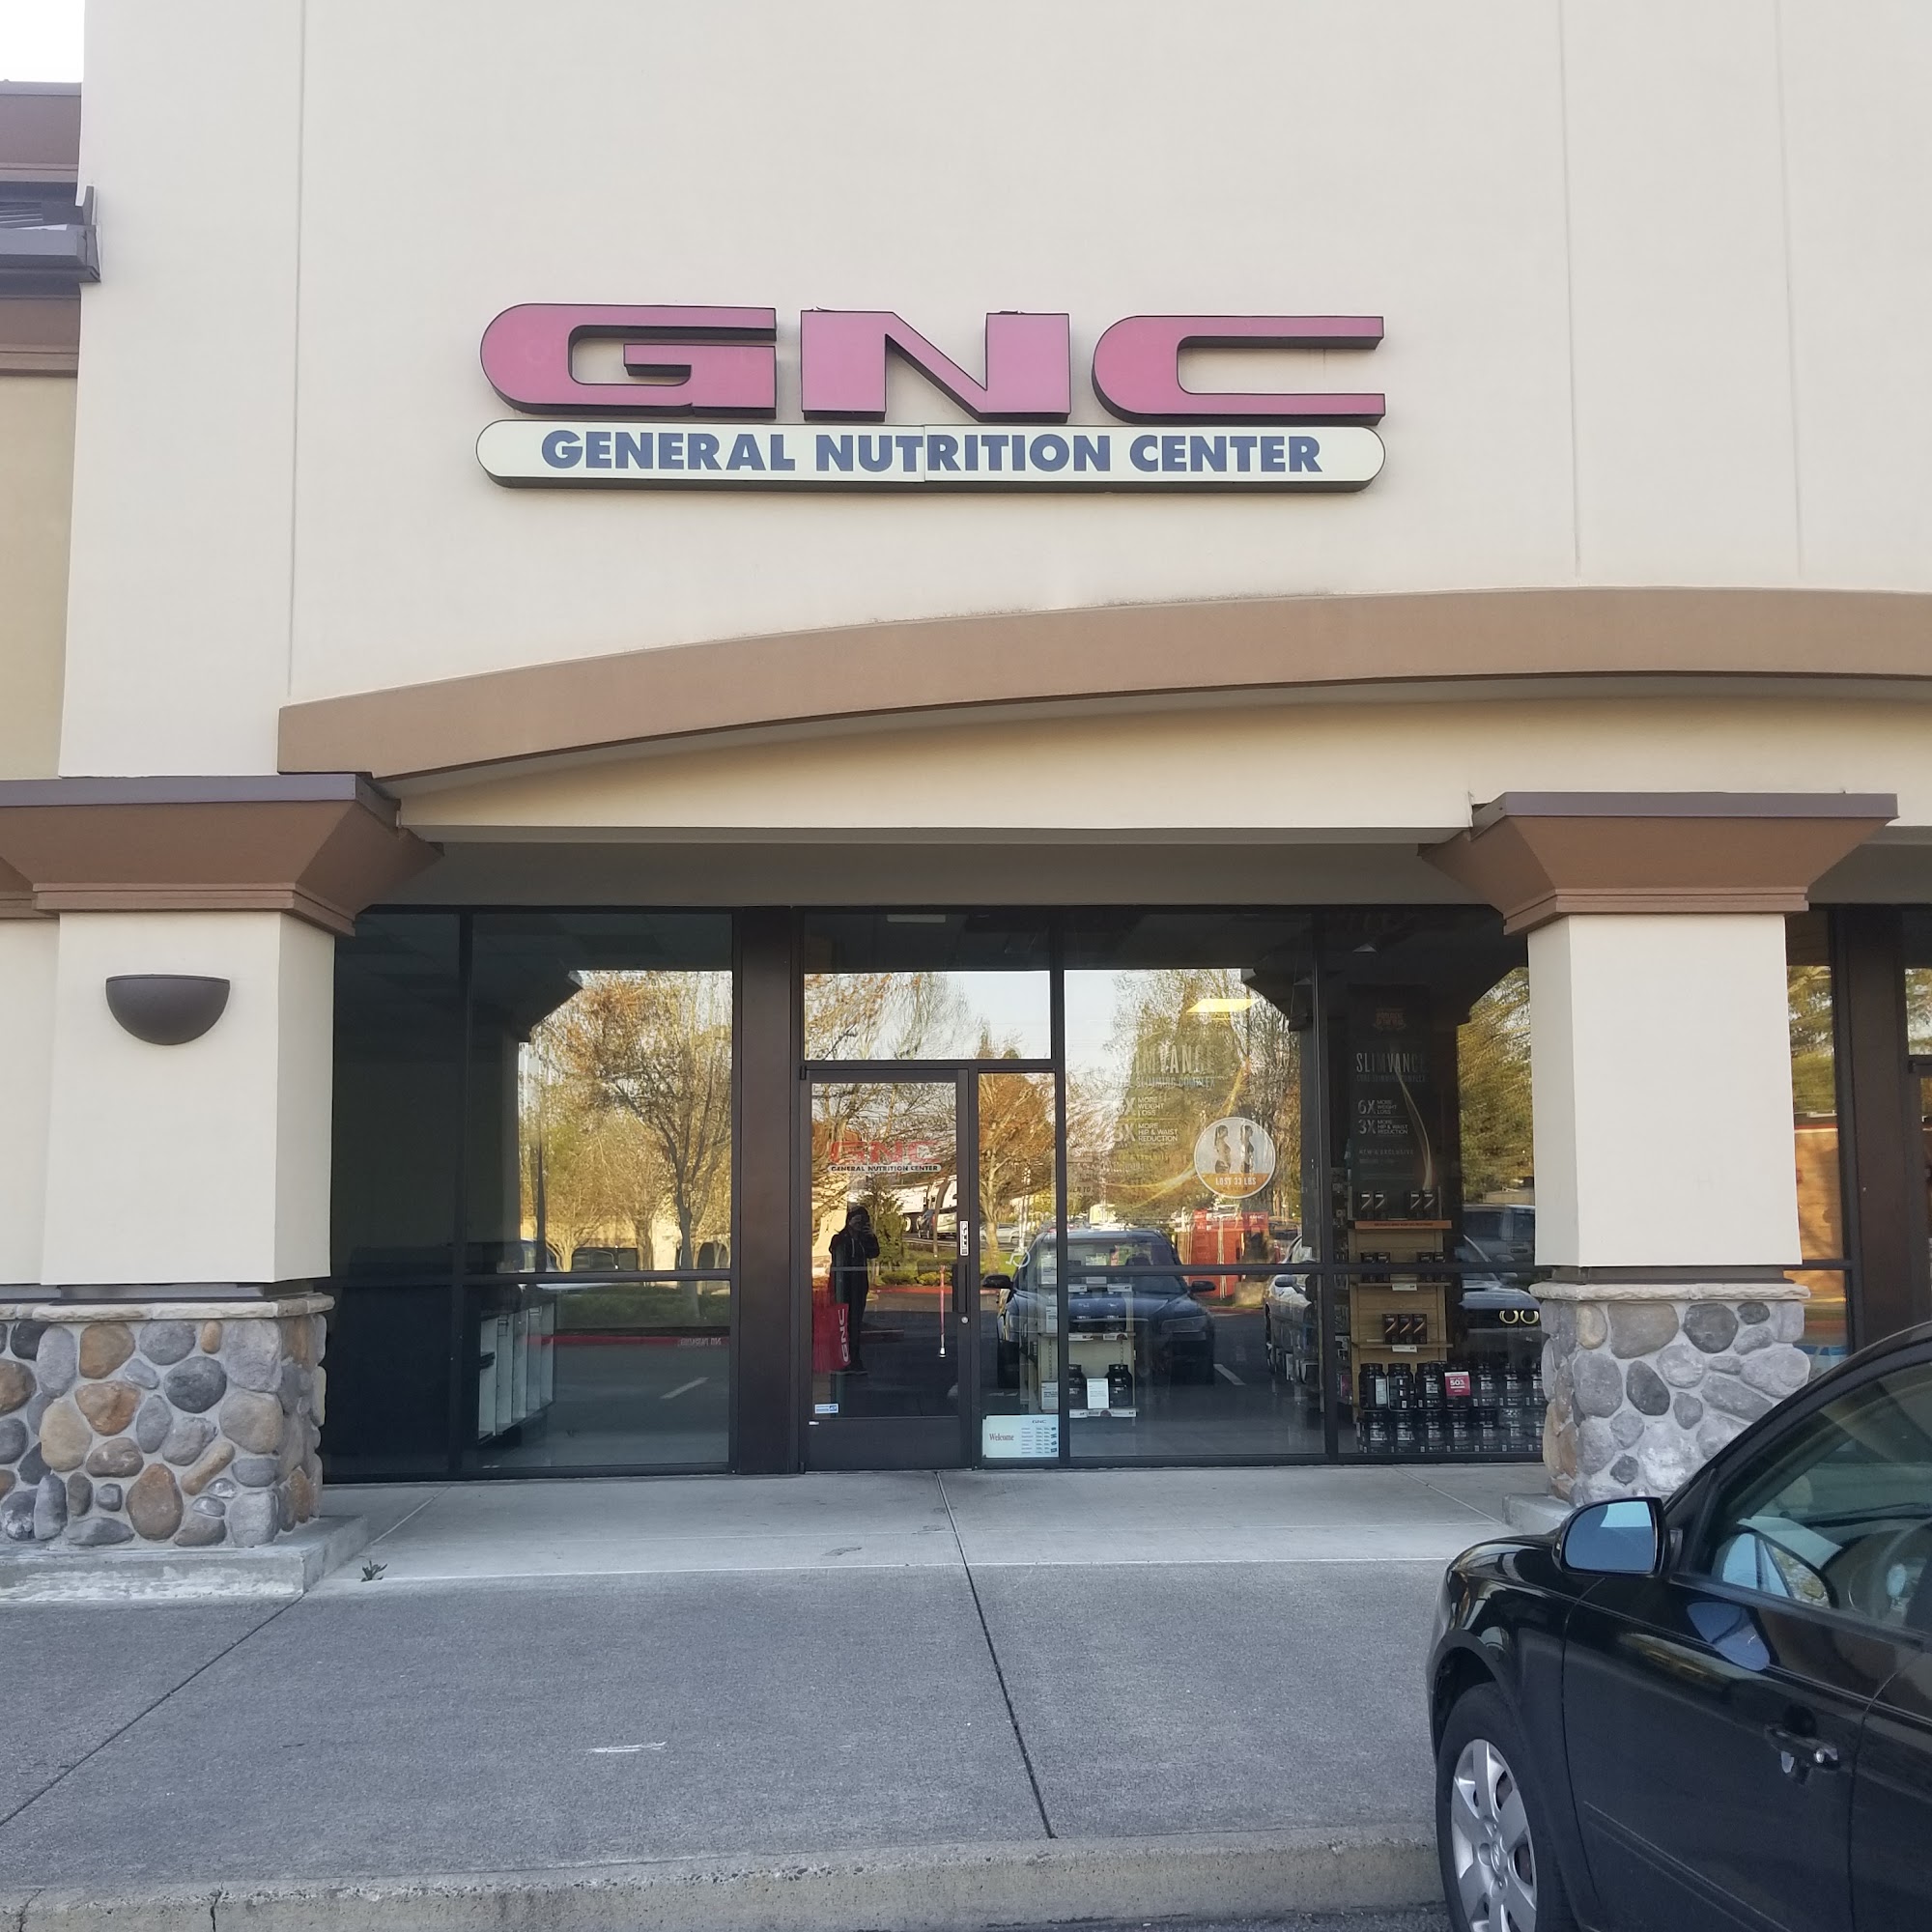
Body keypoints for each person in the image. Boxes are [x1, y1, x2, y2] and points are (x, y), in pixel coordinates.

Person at [830, 1203, 880, 1373]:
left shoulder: (863, 1240)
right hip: (843, 1285)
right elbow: (835, 1251)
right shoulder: (840, 1239)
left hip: (858, 1286)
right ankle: (841, 1359)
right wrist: (849, 1232)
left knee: (855, 1323)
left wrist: (869, 1236)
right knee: (841, 1324)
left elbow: (874, 1253)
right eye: (857, 1221)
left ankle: (855, 1358)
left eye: (862, 1222)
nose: (859, 1225)